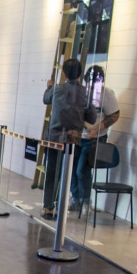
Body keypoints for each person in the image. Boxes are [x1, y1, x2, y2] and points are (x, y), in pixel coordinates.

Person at [41, 58, 96, 220]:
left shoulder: (57, 89)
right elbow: (92, 118)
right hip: (73, 140)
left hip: (54, 138)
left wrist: (49, 87)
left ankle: (48, 207)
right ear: (80, 74)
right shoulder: (85, 92)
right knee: (68, 173)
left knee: (51, 171)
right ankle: (63, 203)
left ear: (64, 74)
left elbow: (45, 99)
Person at [69, 65, 120, 211]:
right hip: (79, 136)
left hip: (95, 138)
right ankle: (75, 198)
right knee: (72, 169)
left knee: (82, 170)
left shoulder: (107, 94)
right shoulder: (80, 93)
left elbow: (114, 115)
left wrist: (98, 129)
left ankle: (86, 201)